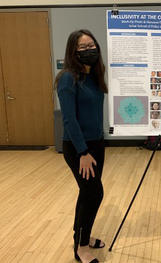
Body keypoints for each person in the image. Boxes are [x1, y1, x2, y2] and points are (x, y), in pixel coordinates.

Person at [55, 29, 107, 263]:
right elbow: (69, 119)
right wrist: (83, 152)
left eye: (91, 46)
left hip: (97, 143)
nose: (89, 50)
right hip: (79, 148)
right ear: (73, 51)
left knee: (87, 193)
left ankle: (81, 238)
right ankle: (82, 248)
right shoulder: (68, 77)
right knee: (94, 193)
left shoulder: (94, 76)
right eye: (82, 47)